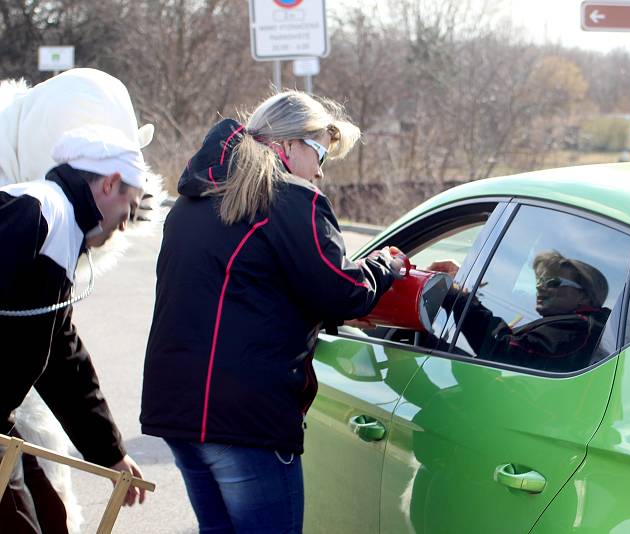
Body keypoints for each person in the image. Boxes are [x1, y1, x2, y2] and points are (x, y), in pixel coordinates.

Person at [140, 90, 402, 533]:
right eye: (319, 152)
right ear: (288, 146)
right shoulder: (291, 201)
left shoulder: (193, 200)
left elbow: (254, 282)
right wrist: (386, 267)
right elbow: (342, 292)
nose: (319, 171)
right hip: (245, 418)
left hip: (178, 408)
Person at [0, 125, 150, 534]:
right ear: (111, 182)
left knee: (51, 518)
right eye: (130, 207)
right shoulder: (36, 210)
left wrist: (110, 452)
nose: (125, 224)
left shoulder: (63, 227)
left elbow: (62, 356)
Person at [432, 250, 610, 372]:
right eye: (540, 281)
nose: (540, 287)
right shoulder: (566, 324)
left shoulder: (578, 330)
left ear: (584, 296)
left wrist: (457, 297)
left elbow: (502, 352)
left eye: (552, 283)